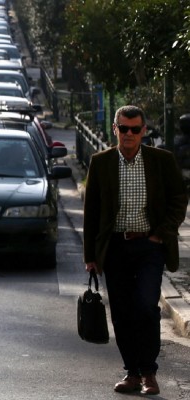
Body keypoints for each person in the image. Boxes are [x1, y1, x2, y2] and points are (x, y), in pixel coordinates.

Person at [83, 105, 188, 396]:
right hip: (114, 247)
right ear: (114, 129)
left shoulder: (161, 161)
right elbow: (91, 211)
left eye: (135, 129)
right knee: (121, 311)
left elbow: (179, 199)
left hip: (148, 246)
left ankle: (149, 373)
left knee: (145, 305)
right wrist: (90, 256)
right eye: (123, 128)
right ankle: (131, 372)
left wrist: (161, 234)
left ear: (143, 131)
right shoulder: (101, 162)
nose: (129, 135)